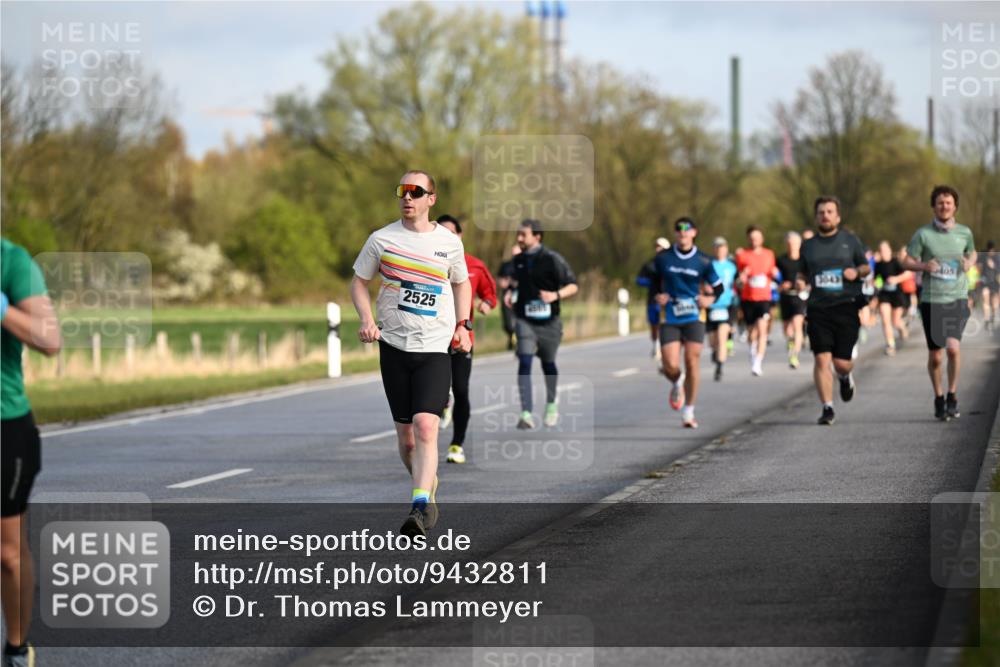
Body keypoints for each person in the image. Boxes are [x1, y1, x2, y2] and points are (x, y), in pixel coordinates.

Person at [351, 171, 472, 538]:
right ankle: (426, 480)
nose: (407, 198)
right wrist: (367, 319)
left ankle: (419, 505)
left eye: (416, 192)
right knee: (406, 439)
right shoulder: (382, 239)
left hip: (435, 348)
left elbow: (461, 282)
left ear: (431, 199)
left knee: (426, 426)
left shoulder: (448, 243)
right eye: (402, 191)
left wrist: (463, 325)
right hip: (394, 347)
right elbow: (359, 282)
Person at [2, 237, 62, 667]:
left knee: (7, 553)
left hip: (4, 423)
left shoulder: (12, 262)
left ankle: (17, 648)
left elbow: (49, 339)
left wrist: (4, 310)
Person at [900, 185, 977, 421]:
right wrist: (923, 266)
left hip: (957, 298)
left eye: (949, 202)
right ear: (934, 206)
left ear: (955, 206)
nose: (944, 206)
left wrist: (969, 262)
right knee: (936, 356)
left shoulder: (964, 232)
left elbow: (972, 252)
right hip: (932, 300)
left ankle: (952, 395)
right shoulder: (923, 234)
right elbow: (905, 261)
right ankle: (938, 396)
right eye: (940, 203)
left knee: (953, 349)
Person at [799, 196, 870, 425]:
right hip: (818, 308)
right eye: (821, 212)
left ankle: (844, 375)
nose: (825, 215)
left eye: (830, 211)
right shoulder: (808, 245)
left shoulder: (850, 240)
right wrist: (800, 282)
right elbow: (802, 272)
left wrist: (856, 273)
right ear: (816, 216)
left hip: (846, 305)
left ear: (837, 216)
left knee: (841, 362)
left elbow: (866, 267)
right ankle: (827, 407)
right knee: (821, 360)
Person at [504, 219, 578, 430]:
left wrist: (555, 295)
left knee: (548, 363)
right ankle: (526, 412)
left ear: (537, 237)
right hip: (524, 320)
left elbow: (573, 286)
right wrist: (510, 293)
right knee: (524, 361)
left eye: (523, 235)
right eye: (518, 234)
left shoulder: (553, 259)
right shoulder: (517, 260)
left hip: (549, 322)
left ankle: (552, 403)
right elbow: (515, 282)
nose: (519, 238)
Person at [436, 215, 498, 465]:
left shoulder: (474, 266)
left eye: (452, 233)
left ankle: (456, 445)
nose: (447, 237)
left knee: (461, 389)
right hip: (433, 337)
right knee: (437, 390)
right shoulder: (426, 262)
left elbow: (490, 294)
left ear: (460, 237)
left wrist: (487, 304)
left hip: (461, 338)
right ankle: (443, 401)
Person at [652, 218, 724, 428]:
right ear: (675, 234)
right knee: (669, 365)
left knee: (692, 360)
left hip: (694, 315)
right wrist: (660, 295)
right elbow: (655, 285)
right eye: (679, 230)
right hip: (671, 316)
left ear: (694, 232)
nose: (682, 233)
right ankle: (677, 381)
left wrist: (709, 300)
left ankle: (689, 412)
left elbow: (718, 289)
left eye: (687, 230)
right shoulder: (663, 258)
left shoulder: (703, 260)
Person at [736, 225, 778, 376]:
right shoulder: (742, 255)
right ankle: (752, 350)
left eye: (757, 238)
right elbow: (738, 280)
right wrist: (742, 277)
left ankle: (758, 362)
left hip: (764, 297)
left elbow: (773, 273)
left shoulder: (769, 254)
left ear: (762, 239)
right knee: (751, 332)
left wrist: (775, 274)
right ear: (748, 239)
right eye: (752, 238)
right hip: (748, 297)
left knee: (762, 328)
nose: (754, 240)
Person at [873, 240, 913, 355]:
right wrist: (877, 283)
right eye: (881, 250)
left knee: (895, 322)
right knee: (885, 321)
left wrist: (896, 279)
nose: (883, 252)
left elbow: (908, 274)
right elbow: (877, 278)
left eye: (885, 249)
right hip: (884, 294)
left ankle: (902, 328)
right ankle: (890, 344)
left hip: (897, 294)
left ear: (890, 250)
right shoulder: (878, 264)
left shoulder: (896, 262)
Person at [706, 237, 737, 381]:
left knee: (722, 336)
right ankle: (715, 352)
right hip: (711, 305)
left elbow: (737, 283)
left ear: (726, 249)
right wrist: (704, 288)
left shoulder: (732, 266)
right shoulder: (708, 265)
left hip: (726, 305)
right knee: (712, 341)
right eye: (717, 248)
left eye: (722, 247)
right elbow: (701, 282)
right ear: (714, 250)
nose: (720, 250)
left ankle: (719, 367)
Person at [636, 237, 672, 361]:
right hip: (653, 299)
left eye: (661, 246)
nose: (658, 249)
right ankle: (655, 345)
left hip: (668, 301)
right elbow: (639, 279)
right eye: (657, 246)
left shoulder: (671, 264)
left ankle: (664, 348)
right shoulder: (649, 264)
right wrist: (650, 282)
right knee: (654, 325)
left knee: (665, 325)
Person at [777, 231, 808, 369]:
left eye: (795, 243)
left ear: (799, 244)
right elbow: (774, 278)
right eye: (789, 243)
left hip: (800, 296)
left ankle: (794, 355)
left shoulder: (804, 260)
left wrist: (804, 284)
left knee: (797, 324)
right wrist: (781, 285)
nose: (792, 246)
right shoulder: (781, 260)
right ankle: (791, 342)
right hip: (785, 296)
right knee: (787, 329)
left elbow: (811, 278)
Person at [497, 244, 521, 350]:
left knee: (520, 319)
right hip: (506, 296)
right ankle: (512, 336)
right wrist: (503, 283)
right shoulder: (506, 265)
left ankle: (518, 340)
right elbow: (499, 279)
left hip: (520, 296)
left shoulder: (525, 265)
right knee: (507, 322)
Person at [980, 240, 998, 331]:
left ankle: (993, 315)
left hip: (995, 282)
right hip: (985, 281)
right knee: (985, 299)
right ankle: (986, 318)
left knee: (994, 302)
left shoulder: (997, 257)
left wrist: (993, 266)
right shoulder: (983, 255)